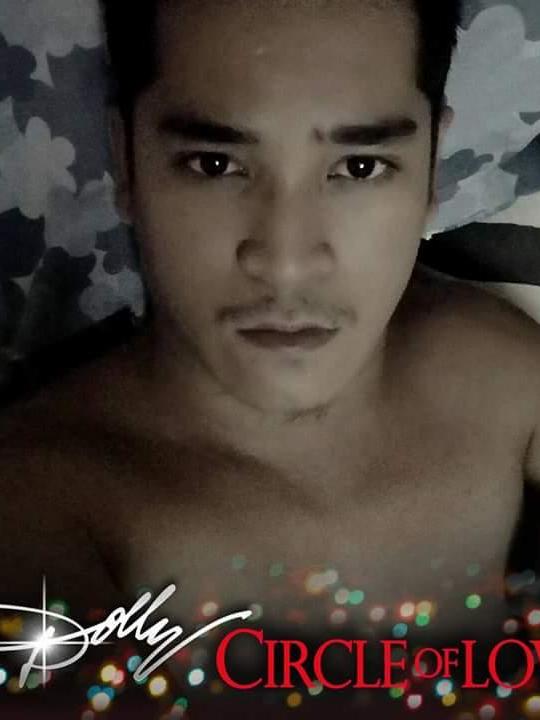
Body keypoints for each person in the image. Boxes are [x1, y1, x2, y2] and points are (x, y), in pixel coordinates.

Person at [1, 0, 539, 677]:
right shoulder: (40, 511)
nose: (286, 263)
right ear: (126, 164)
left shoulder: (498, 380)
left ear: (432, 169)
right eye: (213, 164)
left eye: (360, 167)